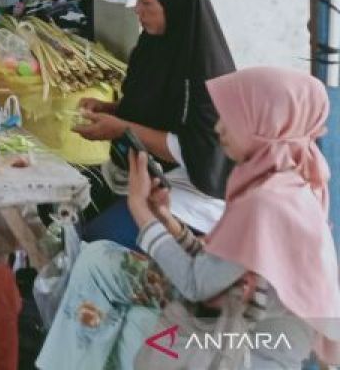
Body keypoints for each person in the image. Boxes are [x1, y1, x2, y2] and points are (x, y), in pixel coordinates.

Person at [37, 68, 340, 370]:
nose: (219, 128)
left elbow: (199, 285)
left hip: (247, 353)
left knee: (139, 323)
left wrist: (140, 211)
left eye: (232, 118)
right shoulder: (288, 183)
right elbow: (217, 267)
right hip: (229, 321)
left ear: (263, 124)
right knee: (99, 259)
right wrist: (167, 220)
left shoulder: (268, 201)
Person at [74, 0, 234, 249]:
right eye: (136, 0)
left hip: (193, 191)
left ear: (174, 6)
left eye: (146, 3)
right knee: (71, 209)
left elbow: (198, 150)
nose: (137, 10)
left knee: (99, 239)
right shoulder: (153, 47)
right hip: (148, 175)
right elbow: (156, 108)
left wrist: (122, 129)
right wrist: (111, 109)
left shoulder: (205, 68)